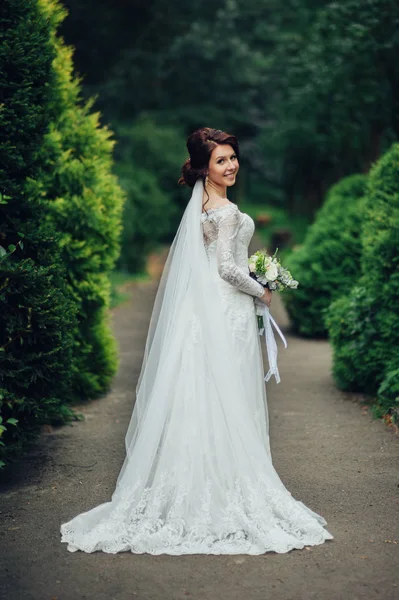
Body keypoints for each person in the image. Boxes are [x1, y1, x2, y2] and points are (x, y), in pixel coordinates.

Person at [60, 127, 333, 555]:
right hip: (224, 311)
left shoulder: (203, 206)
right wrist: (261, 288)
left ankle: (201, 482)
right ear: (204, 167)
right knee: (222, 395)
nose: (231, 165)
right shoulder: (223, 210)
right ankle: (222, 489)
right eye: (221, 160)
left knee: (204, 395)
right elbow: (226, 268)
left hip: (205, 311)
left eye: (232, 157)